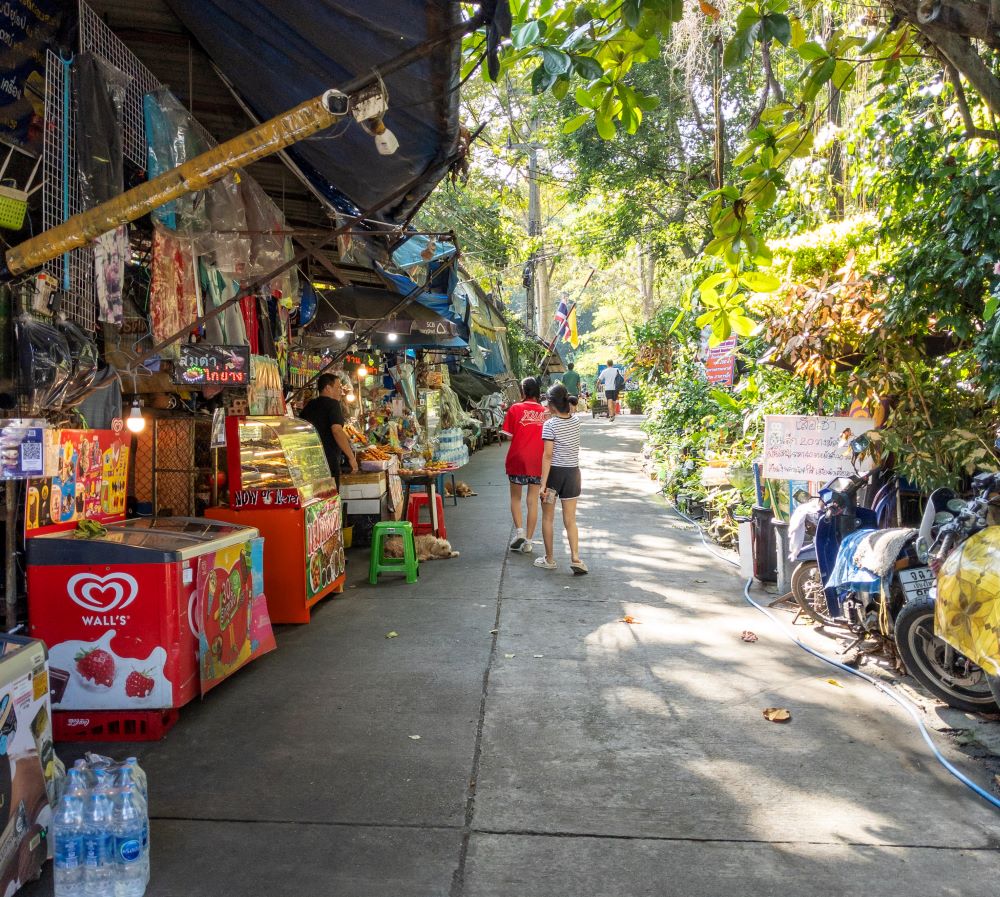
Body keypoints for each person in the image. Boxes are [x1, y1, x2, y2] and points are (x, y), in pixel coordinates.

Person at [534, 383, 587, 575]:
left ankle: (549, 559)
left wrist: (542, 485)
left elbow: (547, 456)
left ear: (550, 404)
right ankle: (575, 558)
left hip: (554, 476)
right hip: (573, 474)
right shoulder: (576, 421)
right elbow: (570, 411)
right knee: (570, 519)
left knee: (548, 517)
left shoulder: (549, 425)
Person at [501, 377, 547, 552]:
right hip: (538, 460)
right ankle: (528, 541)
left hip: (518, 458)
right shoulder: (546, 412)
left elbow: (508, 435)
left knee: (515, 497)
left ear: (523, 391)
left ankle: (519, 531)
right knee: (532, 501)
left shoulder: (515, 409)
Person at [299, 373, 359, 485]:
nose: (340, 392)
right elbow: (336, 430)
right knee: (330, 496)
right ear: (328, 388)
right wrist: (351, 457)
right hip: (328, 462)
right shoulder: (333, 404)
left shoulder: (310, 405)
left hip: (309, 462)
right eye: (338, 388)